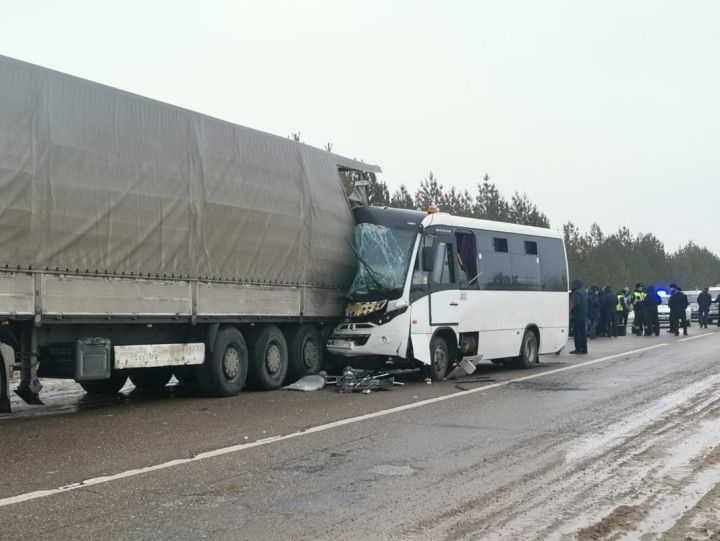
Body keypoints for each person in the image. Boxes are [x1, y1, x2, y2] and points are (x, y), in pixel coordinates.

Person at [570, 279, 588, 354]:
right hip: (583, 315)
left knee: (577, 333)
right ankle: (584, 349)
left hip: (577, 315)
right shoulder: (584, 291)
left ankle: (578, 349)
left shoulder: (576, 292)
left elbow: (576, 303)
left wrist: (570, 310)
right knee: (583, 332)